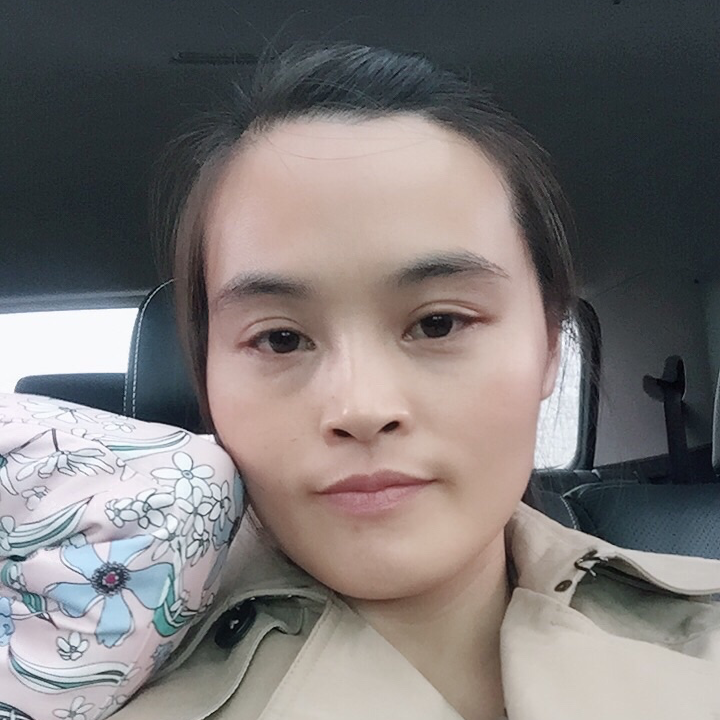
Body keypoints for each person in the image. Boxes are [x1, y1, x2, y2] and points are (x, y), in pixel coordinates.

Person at [2, 41, 720, 720]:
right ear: (207, 378)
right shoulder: (59, 678)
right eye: (280, 339)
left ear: (550, 348)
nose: (362, 407)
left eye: (438, 323)